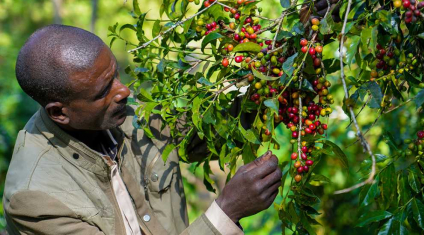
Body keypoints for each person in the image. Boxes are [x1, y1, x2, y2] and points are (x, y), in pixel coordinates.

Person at [3, 24, 282, 235]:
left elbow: (203, 136)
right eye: (103, 91)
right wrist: (226, 211)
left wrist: (289, 59)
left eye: (115, 74)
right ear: (59, 112)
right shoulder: (37, 199)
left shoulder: (127, 114)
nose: (123, 91)